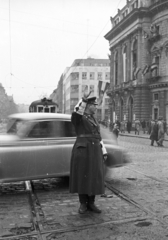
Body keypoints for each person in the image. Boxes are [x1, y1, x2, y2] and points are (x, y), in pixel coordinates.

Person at [69, 96, 108, 214]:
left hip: (95, 150)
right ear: (88, 106)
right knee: (82, 175)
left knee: (94, 176)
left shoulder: (94, 119)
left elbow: (98, 135)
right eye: (94, 105)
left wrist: (104, 150)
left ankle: (91, 202)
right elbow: (76, 114)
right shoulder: (79, 117)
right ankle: (83, 204)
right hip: (83, 150)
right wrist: (83, 101)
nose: (96, 107)